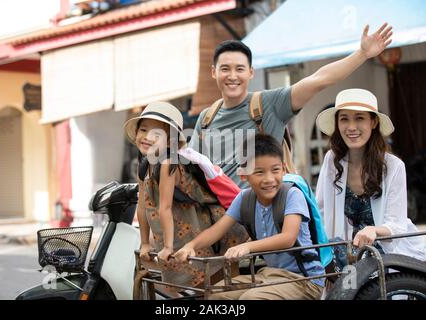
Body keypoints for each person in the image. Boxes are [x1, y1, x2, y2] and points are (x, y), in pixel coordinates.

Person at [189, 23, 393, 188]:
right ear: (214, 72)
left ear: (251, 72)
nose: (232, 76)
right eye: (225, 69)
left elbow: (318, 79)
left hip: (261, 218)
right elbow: (192, 171)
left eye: (239, 69)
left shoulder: (269, 104)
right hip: (219, 224)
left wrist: (361, 54)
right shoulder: (207, 118)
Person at [175, 134, 325, 300]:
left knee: (251, 298)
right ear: (243, 174)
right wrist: (191, 245)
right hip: (270, 275)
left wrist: (248, 247)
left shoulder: (292, 194)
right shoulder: (244, 198)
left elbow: (288, 238)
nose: (269, 179)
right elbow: (216, 231)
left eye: (275, 170)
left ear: (283, 169)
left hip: (304, 280)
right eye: (259, 172)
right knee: (215, 294)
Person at [123, 101, 248, 289]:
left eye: (156, 134)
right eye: (143, 130)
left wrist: (167, 247)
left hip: (207, 225)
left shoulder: (167, 163)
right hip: (185, 229)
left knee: (219, 281)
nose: (147, 137)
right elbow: (142, 207)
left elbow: (164, 207)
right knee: (197, 284)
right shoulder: (145, 164)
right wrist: (144, 243)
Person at [315, 88, 426, 266]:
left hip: (390, 253)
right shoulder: (331, 160)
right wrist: (326, 258)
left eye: (359, 118)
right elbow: (320, 211)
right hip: (346, 256)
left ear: (373, 122)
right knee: (345, 291)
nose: (351, 127)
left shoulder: (393, 166)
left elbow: (397, 224)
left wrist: (374, 230)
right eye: (344, 119)